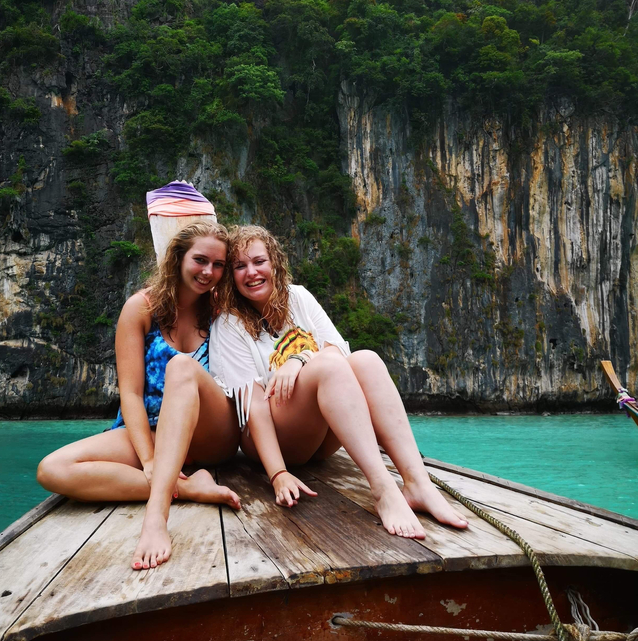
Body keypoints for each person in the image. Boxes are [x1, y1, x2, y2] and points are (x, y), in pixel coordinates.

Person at [209, 225, 468, 539]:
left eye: (259, 261)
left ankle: (417, 483)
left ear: (275, 263)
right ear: (232, 277)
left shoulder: (298, 297)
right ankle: (384, 490)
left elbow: (337, 348)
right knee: (330, 367)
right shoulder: (229, 323)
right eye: (240, 266)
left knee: (366, 359)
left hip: (319, 438)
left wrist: (298, 360)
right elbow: (250, 405)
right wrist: (278, 473)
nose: (251, 272)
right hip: (271, 438)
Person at [37, 222, 242, 569]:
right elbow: (129, 394)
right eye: (200, 260)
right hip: (153, 430)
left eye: (218, 264)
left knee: (182, 368)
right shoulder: (142, 308)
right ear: (177, 258)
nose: (209, 271)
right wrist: (149, 461)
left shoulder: (222, 311)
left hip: (211, 433)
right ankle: (188, 488)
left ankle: (155, 516)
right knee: (53, 469)